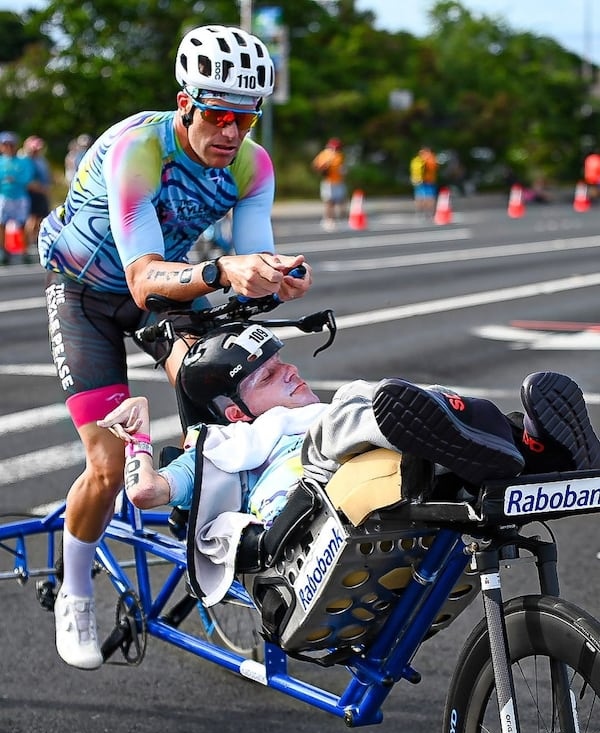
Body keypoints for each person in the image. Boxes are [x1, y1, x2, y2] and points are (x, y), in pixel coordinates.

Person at [41, 24, 312, 671]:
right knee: (107, 465)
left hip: (165, 289)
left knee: (233, 399)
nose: (231, 133)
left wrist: (276, 273)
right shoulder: (140, 149)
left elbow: (249, 249)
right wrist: (223, 272)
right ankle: (74, 589)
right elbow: (142, 276)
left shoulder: (252, 163)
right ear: (185, 102)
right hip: (87, 292)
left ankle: (226, 529)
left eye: (246, 119)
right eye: (218, 115)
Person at [99, 322, 600, 609]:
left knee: (378, 416)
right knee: (356, 406)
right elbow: (144, 493)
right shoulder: (223, 447)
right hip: (309, 515)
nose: (291, 370)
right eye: (270, 375)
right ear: (237, 411)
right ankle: (450, 425)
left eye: (283, 361)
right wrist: (140, 434)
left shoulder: (316, 414)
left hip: (377, 487)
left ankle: (535, 451)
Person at [0, 131, 35, 264]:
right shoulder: (1, 162)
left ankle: (24, 252)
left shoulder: (23, 161)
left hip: (20, 196)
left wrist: (15, 179)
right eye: (5, 144)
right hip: (4, 196)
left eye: (11, 144)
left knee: (22, 224)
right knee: (1, 225)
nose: (8, 147)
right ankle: (3, 252)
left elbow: (27, 178)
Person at [22, 135, 52, 255]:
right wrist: (40, 188)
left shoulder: (41, 160)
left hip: (42, 192)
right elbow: (27, 180)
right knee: (32, 218)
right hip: (33, 193)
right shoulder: (26, 161)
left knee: (40, 218)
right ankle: (29, 241)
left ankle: (34, 240)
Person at [311, 138, 346, 231]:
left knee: (341, 201)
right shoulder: (325, 154)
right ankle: (328, 220)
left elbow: (341, 168)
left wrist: (343, 171)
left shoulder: (339, 155)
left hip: (339, 181)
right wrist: (324, 168)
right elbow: (316, 165)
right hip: (329, 181)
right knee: (329, 201)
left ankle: (338, 218)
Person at [410, 146, 438, 218]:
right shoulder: (430, 159)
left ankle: (420, 212)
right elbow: (434, 167)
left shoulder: (416, 160)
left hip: (417, 181)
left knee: (419, 196)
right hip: (428, 181)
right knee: (429, 197)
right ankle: (429, 212)